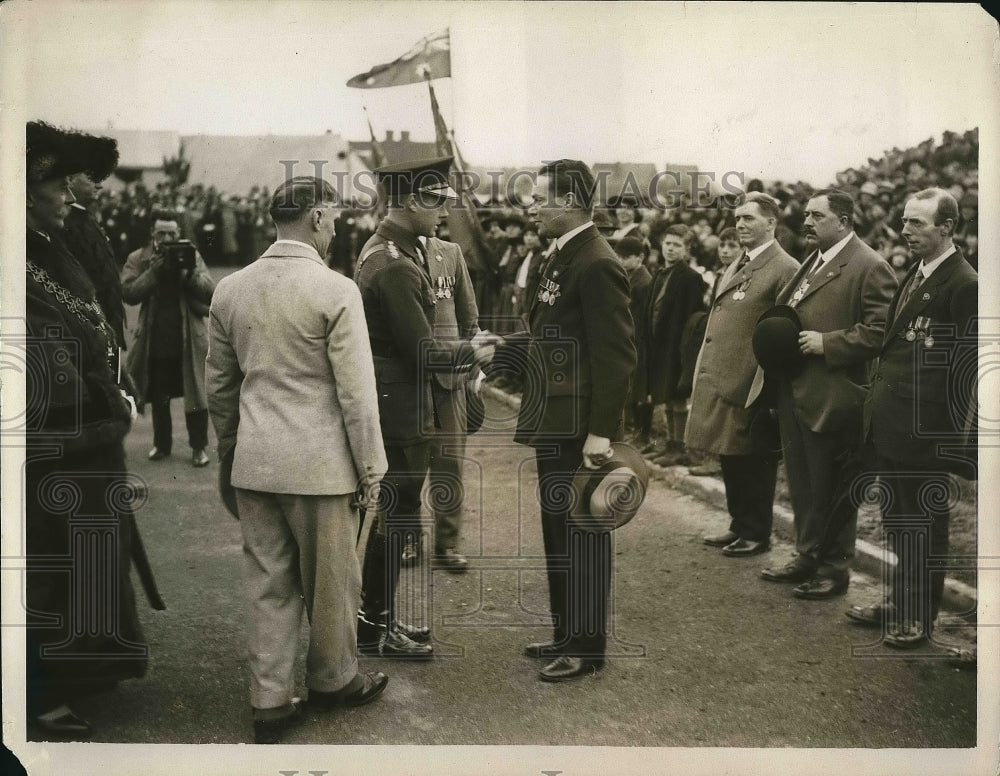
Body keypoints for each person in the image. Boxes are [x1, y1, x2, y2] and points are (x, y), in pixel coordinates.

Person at [205, 176, 390, 744]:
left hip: (257, 462)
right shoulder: (335, 290)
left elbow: (219, 386)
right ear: (314, 218)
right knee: (333, 583)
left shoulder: (230, 290)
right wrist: (372, 468)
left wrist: (232, 450)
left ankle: (269, 702)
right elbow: (357, 393)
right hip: (321, 467)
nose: (334, 228)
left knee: (268, 582)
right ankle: (333, 680)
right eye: (331, 218)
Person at [24, 121, 148, 738]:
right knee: (49, 566)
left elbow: (94, 314)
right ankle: (38, 697)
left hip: (86, 428)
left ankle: (85, 669)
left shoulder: (51, 242)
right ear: (25, 189)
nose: (73, 199)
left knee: (90, 556)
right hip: (55, 438)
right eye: (61, 188)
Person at [354, 157, 497, 659]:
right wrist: (472, 351)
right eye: (436, 201)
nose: (445, 211)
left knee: (395, 518)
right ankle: (375, 626)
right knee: (396, 520)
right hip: (403, 408)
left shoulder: (392, 250)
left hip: (395, 402)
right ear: (411, 201)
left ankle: (374, 623)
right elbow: (420, 350)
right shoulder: (395, 263)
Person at [498, 159, 636, 681]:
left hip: (579, 426)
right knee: (559, 530)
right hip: (554, 419)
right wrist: (502, 347)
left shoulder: (596, 261)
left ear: (572, 201)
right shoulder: (561, 256)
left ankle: (587, 646)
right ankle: (566, 633)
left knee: (582, 531)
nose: (532, 206)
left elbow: (616, 355)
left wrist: (602, 431)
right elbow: (549, 335)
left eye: (541, 198)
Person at [848, 188, 977, 647]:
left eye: (918, 223)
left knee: (922, 525)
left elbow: (966, 371)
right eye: (905, 221)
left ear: (947, 228)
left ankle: (918, 616)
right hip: (892, 423)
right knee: (898, 520)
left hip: (925, 431)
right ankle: (899, 599)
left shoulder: (964, 284)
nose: (906, 231)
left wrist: (948, 441)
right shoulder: (918, 273)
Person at [755, 189, 896, 599]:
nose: (807, 222)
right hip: (795, 390)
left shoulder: (870, 266)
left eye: (817, 215)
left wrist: (828, 343)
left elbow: (882, 331)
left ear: (845, 220)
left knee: (832, 487)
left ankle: (834, 569)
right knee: (803, 482)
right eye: (807, 215)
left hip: (835, 393)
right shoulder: (814, 262)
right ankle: (807, 555)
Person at [687, 193, 799, 557]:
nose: (741, 224)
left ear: (771, 223)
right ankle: (739, 524)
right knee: (729, 454)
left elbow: (783, 331)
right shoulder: (739, 261)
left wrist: (766, 384)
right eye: (738, 218)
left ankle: (756, 532)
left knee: (754, 459)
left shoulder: (784, 267)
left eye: (749, 218)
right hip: (722, 374)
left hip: (751, 380)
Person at [399, 231, 482, 573]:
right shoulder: (391, 254)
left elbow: (469, 317)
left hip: (449, 381)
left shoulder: (450, 252)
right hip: (409, 380)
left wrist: (475, 373)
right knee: (406, 466)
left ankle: (447, 544)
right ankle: (408, 538)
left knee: (450, 465)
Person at [122, 214, 216, 467]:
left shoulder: (190, 254)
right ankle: (161, 444)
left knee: (196, 395)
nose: (167, 239)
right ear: (152, 233)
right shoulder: (139, 257)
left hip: (188, 336)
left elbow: (210, 290)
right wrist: (153, 272)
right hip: (157, 338)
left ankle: (199, 447)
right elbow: (129, 293)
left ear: (179, 233)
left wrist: (188, 274)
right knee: (159, 395)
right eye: (162, 233)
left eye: (172, 233)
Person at [645, 224, 707, 466]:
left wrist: (682, 348)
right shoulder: (660, 274)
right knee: (664, 394)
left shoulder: (691, 278)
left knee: (676, 395)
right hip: (659, 343)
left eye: (677, 245)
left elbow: (691, 318)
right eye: (668, 244)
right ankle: (670, 443)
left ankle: (679, 446)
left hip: (677, 346)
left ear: (687, 250)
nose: (670, 249)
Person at [61, 134, 127, 356]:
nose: (99, 185)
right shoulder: (66, 223)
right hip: (90, 333)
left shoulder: (86, 219)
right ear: (69, 179)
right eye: (91, 176)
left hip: (107, 325)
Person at [613, 236, 653, 446]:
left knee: (640, 388)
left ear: (640, 257)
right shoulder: (629, 275)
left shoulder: (643, 281)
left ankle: (643, 433)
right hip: (628, 336)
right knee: (632, 386)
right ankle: (635, 429)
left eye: (627, 257)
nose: (621, 260)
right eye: (619, 256)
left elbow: (642, 315)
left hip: (638, 339)